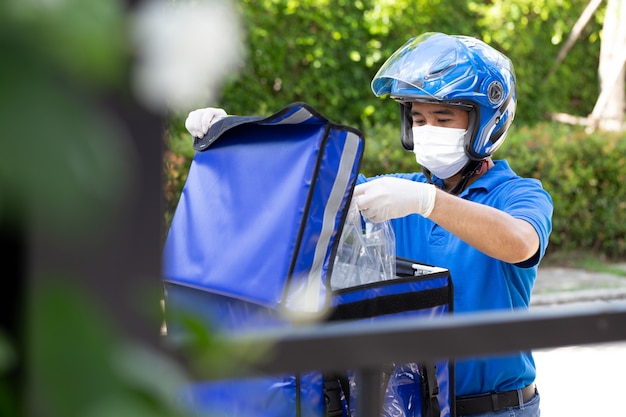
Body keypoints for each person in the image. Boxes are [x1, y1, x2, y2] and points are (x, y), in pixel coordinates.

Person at [184, 32, 553, 417]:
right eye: (418, 118)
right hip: (417, 406)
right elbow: (305, 183)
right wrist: (235, 138)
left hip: (494, 409)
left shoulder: (519, 194)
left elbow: (520, 242)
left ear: (486, 124)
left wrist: (428, 202)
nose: (428, 129)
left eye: (443, 118)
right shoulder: (397, 190)